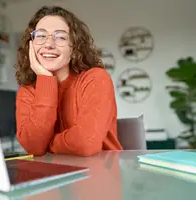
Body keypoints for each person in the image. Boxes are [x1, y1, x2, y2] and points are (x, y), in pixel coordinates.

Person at [15, 5, 123, 157]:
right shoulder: (27, 92)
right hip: (55, 176)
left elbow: (85, 143)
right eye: (41, 36)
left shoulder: (96, 79)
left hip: (101, 174)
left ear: (74, 48)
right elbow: (34, 146)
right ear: (31, 45)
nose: (49, 44)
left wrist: (49, 144)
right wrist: (46, 80)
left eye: (60, 37)